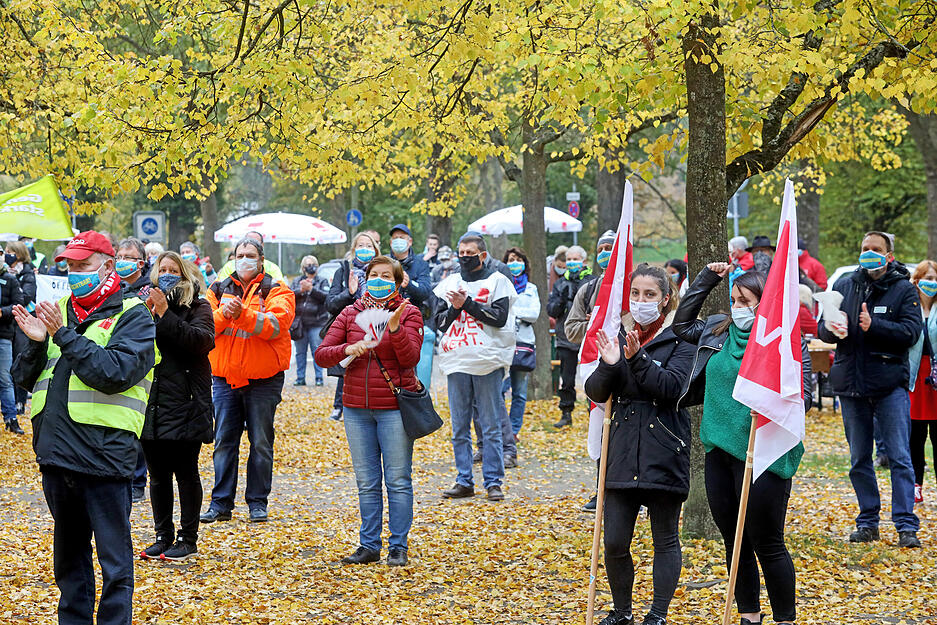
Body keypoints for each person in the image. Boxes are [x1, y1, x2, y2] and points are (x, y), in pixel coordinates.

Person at [12, 231, 156, 625]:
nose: (74, 274)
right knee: (70, 565)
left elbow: (115, 373)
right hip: (58, 457)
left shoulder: (133, 313)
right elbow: (24, 379)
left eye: (82, 266)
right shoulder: (59, 309)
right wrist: (38, 344)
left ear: (108, 266)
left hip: (105, 456)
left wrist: (63, 336)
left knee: (115, 566)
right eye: (70, 267)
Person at [673, 263, 813, 625]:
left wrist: (769, 403)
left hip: (764, 451)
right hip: (719, 450)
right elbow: (681, 325)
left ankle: (785, 618)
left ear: (763, 303)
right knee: (735, 542)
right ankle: (749, 615)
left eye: (745, 300)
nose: (737, 307)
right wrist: (707, 279)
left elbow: (804, 397)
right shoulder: (719, 329)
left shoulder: (785, 338)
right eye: (734, 299)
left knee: (766, 540)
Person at [585, 264, 693, 625]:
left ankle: (658, 613)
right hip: (622, 446)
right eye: (636, 294)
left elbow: (671, 388)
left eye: (649, 295)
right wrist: (609, 364)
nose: (641, 301)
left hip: (664, 444)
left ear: (665, 299)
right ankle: (622, 610)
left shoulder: (681, 336)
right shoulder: (618, 332)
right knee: (614, 540)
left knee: (664, 538)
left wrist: (637, 358)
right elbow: (598, 392)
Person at [315, 256, 424, 566]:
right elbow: (323, 354)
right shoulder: (350, 313)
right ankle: (369, 544)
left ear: (399, 281)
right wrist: (347, 349)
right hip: (356, 409)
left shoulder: (409, 313)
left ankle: (398, 546)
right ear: (365, 279)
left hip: (393, 408)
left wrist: (394, 329)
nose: (379, 280)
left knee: (398, 479)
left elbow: (410, 358)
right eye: (373, 275)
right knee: (366, 481)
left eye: (386, 275)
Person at [818, 231, 922, 548]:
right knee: (858, 459)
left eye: (876, 249)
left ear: (889, 255)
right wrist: (831, 329)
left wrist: (874, 326)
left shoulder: (904, 290)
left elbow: (911, 332)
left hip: (889, 383)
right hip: (851, 384)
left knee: (899, 457)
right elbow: (824, 326)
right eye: (865, 248)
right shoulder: (845, 284)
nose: (869, 253)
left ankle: (906, 526)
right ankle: (867, 522)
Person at [200, 237, 295, 524]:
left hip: (263, 380)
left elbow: (277, 325)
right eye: (240, 254)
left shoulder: (277, 290)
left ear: (261, 259)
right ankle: (220, 504)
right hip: (225, 379)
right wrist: (224, 315)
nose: (245, 259)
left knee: (261, 442)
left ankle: (257, 502)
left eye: (250, 254)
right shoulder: (217, 288)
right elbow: (203, 325)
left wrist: (242, 315)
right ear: (233, 258)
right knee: (224, 441)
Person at [138, 251, 214, 562]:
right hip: (152, 400)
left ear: (185, 274)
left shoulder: (198, 305)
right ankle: (162, 535)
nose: (167, 274)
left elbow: (201, 342)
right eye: (162, 269)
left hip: (185, 400)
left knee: (185, 471)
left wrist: (166, 314)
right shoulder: (142, 306)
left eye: (174, 270)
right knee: (156, 474)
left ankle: (188, 536)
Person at [434, 234, 517, 501]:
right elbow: (440, 322)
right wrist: (457, 308)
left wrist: (467, 304)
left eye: (470, 252)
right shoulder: (449, 283)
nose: (464, 256)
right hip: (457, 360)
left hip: (488, 361)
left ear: (482, 255)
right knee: (460, 425)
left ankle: (493, 481)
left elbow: (500, 318)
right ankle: (464, 479)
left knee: (490, 425)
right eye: (461, 252)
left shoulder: (498, 281)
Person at [325, 233, 381, 421]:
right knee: (350, 370)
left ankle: (375, 407)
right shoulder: (344, 270)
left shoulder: (383, 270)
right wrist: (349, 293)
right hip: (352, 328)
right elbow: (331, 304)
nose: (364, 249)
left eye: (369, 245)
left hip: (377, 328)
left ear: (375, 250)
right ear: (353, 249)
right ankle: (345, 408)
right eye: (360, 245)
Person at [115, 238, 151, 502]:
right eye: (119, 256)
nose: (122, 261)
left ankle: (139, 480)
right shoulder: (113, 288)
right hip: (119, 358)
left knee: (139, 425)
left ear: (140, 262)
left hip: (144, 361)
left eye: (128, 257)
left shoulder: (149, 289)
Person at [548, 244, 595, 428]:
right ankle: (566, 413)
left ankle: (594, 411)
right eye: (569, 259)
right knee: (566, 380)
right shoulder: (560, 284)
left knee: (592, 376)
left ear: (583, 261)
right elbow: (551, 310)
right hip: (566, 337)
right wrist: (562, 299)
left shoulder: (592, 281)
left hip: (588, 337)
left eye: (576, 259)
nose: (572, 263)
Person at [501, 247, 540, 439]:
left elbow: (534, 314)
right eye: (510, 260)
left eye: (517, 259)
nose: (514, 263)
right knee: (499, 389)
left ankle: (514, 430)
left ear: (524, 263)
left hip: (523, 343)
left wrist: (514, 312)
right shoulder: (500, 286)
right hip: (503, 344)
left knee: (519, 392)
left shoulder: (531, 288)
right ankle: (502, 428)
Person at [388, 224, 434, 388]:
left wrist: (409, 285)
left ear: (410, 241)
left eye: (402, 237)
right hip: (388, 321)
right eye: (395, 238)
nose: (398, 241)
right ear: (390, 242)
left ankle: (416, 401)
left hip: (413, 322)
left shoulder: (420, 263)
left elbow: (426, 291)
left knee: (412, 366)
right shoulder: (385, 262)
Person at [907, 261, 937, 505]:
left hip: (935, 380)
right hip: (914, 379)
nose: (932, 282)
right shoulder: (910, 306)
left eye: (935, 278)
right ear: (917, 280)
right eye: (927, 277)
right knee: (914, 438)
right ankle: (916, 484)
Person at [6, 240, 36, 420]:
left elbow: (27, 296)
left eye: (9, 251)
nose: (6, 254)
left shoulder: (28, 273)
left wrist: (13, 285)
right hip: (8, 323)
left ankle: (20, 401)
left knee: (19, 358)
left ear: (17, 254)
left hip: (22, 323)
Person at [290, 255, 330, 387]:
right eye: (308, 264)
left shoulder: (322, 281)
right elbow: (288, 296)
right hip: (299, 323)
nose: (310, 266)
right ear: (303, 267)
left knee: (316, 350)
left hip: (317, 322)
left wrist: (311, 290)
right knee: (300, 352)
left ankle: (319, 378)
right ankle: (300, 378)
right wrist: (301, 290)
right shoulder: (297, 281)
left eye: (313, 263)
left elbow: (327, 297)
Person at [0, 253, 24, 434]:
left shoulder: (10, 280)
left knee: (5, 380)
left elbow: (19, 305)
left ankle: (11, 418)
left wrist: (3, 312)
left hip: (3, 336)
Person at [215, 231, 284, 282]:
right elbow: (220, 287)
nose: (250, 245)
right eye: (240, 256)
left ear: (262, 245)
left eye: (251, 256)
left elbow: (280, 289)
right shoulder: (229, 266)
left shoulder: (273, 268)